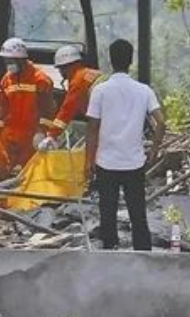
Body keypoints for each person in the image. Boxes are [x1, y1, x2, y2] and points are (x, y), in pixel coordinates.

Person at [86, 39, 165, 251]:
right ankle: (142, 255)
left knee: (108, 213)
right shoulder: (143, 90)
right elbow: (161, 122)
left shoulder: (100, 91)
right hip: (134, 162)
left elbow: (92, 128)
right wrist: (154, 151)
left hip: (106, 162)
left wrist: (89, 160)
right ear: (131, 60)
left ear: (111, 60)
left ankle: (111, 253)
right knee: (138, 213)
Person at [0, 37, 55, 167]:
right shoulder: (6, 80)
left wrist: (41, 131)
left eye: (10, 60)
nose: (8, 64)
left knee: (29, 169)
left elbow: (48, 110)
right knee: (5, 167)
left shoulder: (41, 79)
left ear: (21, 59)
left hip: (31, 133)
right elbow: (3, 107)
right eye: (6, 60)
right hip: (10, 133)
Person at [37, 45, 103, 151]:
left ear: (65, 67)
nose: (60, 72)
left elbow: (67, 110)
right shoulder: (92, 74)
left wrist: (51, 135)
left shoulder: (78, 80)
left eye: (60, 69)